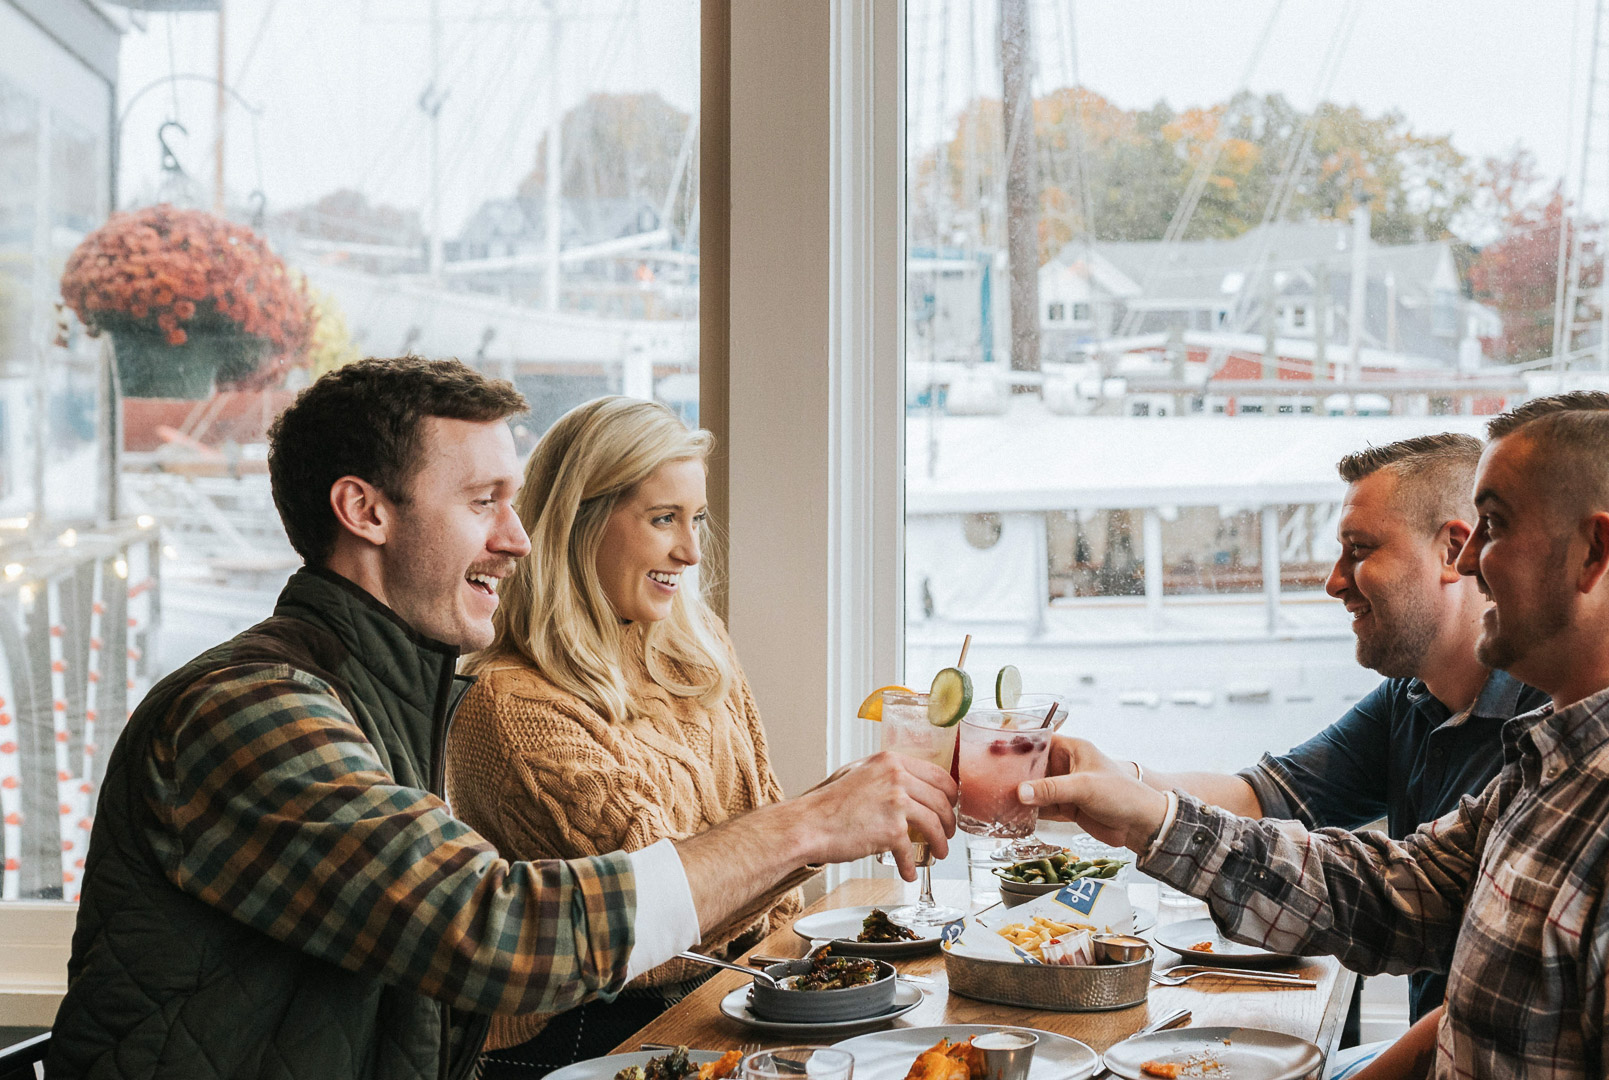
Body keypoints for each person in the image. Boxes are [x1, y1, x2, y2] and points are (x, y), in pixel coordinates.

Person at [48, 358, 958, 1080]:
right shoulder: (246, 714)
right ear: (364, 511)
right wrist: (809, 825)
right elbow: (499, 932)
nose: (518, 538)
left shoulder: (390, 695)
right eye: (484, 502)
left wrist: (837, 813)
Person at [1024, 392, 1609, 1077]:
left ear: (1594, 552)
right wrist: (1140, 816)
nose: (1471, 562)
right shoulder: (1562, 757)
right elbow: (1387, 893)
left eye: (1492, 526)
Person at [1048, 432, 1547, 1031]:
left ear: (1452, 551)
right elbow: (1266, 799)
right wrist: (1110, 779)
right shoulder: (1410, 699)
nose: (1333, 582)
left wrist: (1146, 816)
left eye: (1359, 550)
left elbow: (1477, 1010)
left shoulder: (1542, 737)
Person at [446, 398, 803, 1073]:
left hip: (720, 1002)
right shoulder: (506, 703)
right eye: (662, 519)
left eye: (695, 519)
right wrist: (813, 831)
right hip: (585, 1040)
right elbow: (653, 935)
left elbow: (779, 888)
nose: (691, 551)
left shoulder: (699, 650)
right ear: (577, 523)